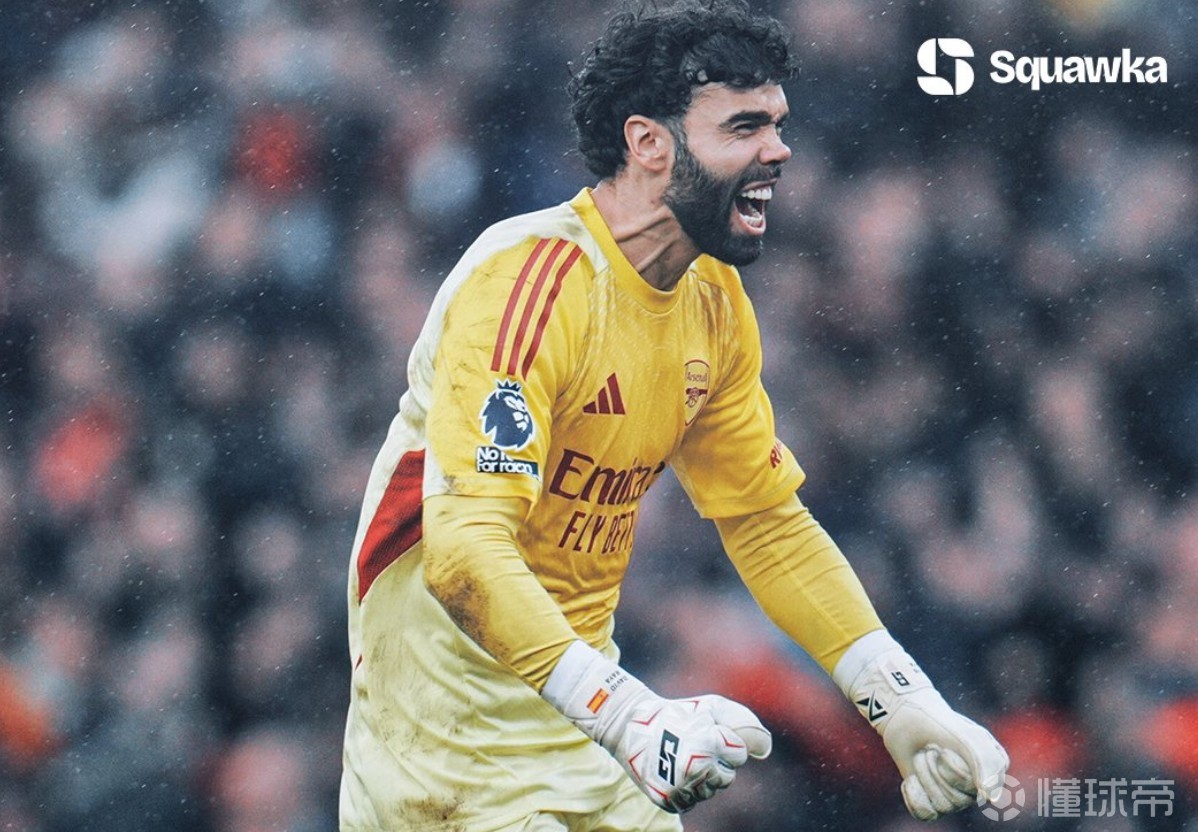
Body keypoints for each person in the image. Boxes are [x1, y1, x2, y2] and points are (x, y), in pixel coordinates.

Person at [339, 1, 1009, 829]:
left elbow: (764, 522)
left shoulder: (712, 301)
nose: (778, 150)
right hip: (441, 760)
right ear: (649, 143)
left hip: (587, 738)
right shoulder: (528, 286)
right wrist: (626, 714)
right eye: (744, 127)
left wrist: (901, 698)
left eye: (777, 125)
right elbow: (464, 553)